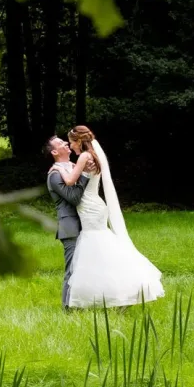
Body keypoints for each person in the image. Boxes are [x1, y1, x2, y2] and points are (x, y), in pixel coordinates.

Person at [49, 125, 164, 308]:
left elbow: (71, 182)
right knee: (101, 249)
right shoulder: (91, 156)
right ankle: (116, 294)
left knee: (99, 249)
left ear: (79, 141)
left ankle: (111, 295)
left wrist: (58, 168)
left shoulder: (84, 157)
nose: (70, 146)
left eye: (70, 142)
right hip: (94, 206)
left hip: (90, 209)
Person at [45, 136, 90, 308]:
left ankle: (83, 302)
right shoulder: (54, 175)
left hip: (86, 223)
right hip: (70, 226)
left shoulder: (72, 167)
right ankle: (67, 307)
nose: (66, 143)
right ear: (55, 152)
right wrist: (84, 176)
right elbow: (73, 197)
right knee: (72, 268)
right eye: (61, 143)